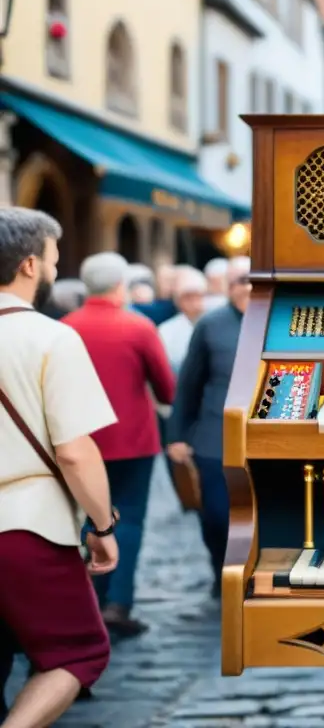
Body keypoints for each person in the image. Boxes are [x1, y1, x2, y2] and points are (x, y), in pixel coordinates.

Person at [0, 207, 120, 727]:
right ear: (29, 265)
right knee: (77, 653)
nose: (54, 268)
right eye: (52, 257)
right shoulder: (51, 337)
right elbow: (75, 451)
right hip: (25, 525)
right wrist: (103, 524)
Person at [63, 252, 176, 637]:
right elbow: (165, 386)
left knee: (83, 519)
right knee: (129, 518)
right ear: (120, 286)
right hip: (132, 441)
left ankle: (86, 601)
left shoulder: (65, 327)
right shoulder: (138, 326)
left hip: (76, 440)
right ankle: (118, 602)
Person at [166, 256, 251, 598]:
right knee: (216, 515)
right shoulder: (210, 325)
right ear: (227, 287)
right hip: (215, 437)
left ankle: (249, 573)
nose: (245, 287)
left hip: (264, 436)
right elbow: (189, 383)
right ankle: (222, 570)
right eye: (238, 282)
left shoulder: (279, 318)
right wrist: (176, 435)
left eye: (251, 280)